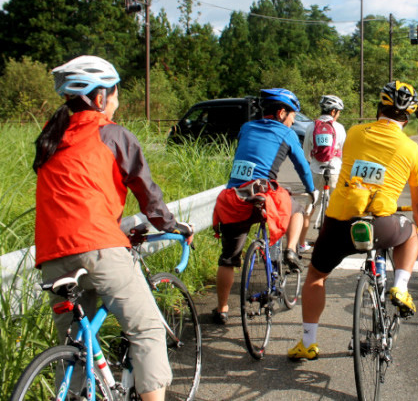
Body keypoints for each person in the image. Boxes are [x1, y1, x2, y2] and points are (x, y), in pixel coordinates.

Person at [33, 55, 194, 401]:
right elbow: (148, 196)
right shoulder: (112, 133)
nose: (117, 102)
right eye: (116, 93)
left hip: (51, 257)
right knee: (147, 329)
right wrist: (173, 227)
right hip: (98, 249)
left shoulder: (50, 137)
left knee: (75, 347)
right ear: (101, 97)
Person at [288, 80, 418, 360]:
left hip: (340, 221)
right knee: (411, 232)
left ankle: (308, 343)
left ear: (379, 108)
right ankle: (400, 287)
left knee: (316, 277)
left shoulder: (353, 132)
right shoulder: (412, 150)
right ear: (408, 117)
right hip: (383, 223)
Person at [212, 88, 317, 325]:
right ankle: (291, 249)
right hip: (262, 194)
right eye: (292, 116)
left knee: (228, 258)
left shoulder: (246, 127)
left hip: (233, 197)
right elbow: (301, 165)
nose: (292, 121)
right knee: (297, 208)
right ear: (281, 113)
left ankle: (222, 309)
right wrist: (311, 189)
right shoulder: (286, 133)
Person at [300, 94, 347, 251]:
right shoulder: (339, 128)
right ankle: (336, 242)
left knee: (310, 206)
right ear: (333, 111)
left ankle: (300, 244)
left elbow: (306, 152)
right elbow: (345, 151)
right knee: (337, 206)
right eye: (338, 112)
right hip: (335, 171)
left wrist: (312, 161)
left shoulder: (311, 126)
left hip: (315, 171)